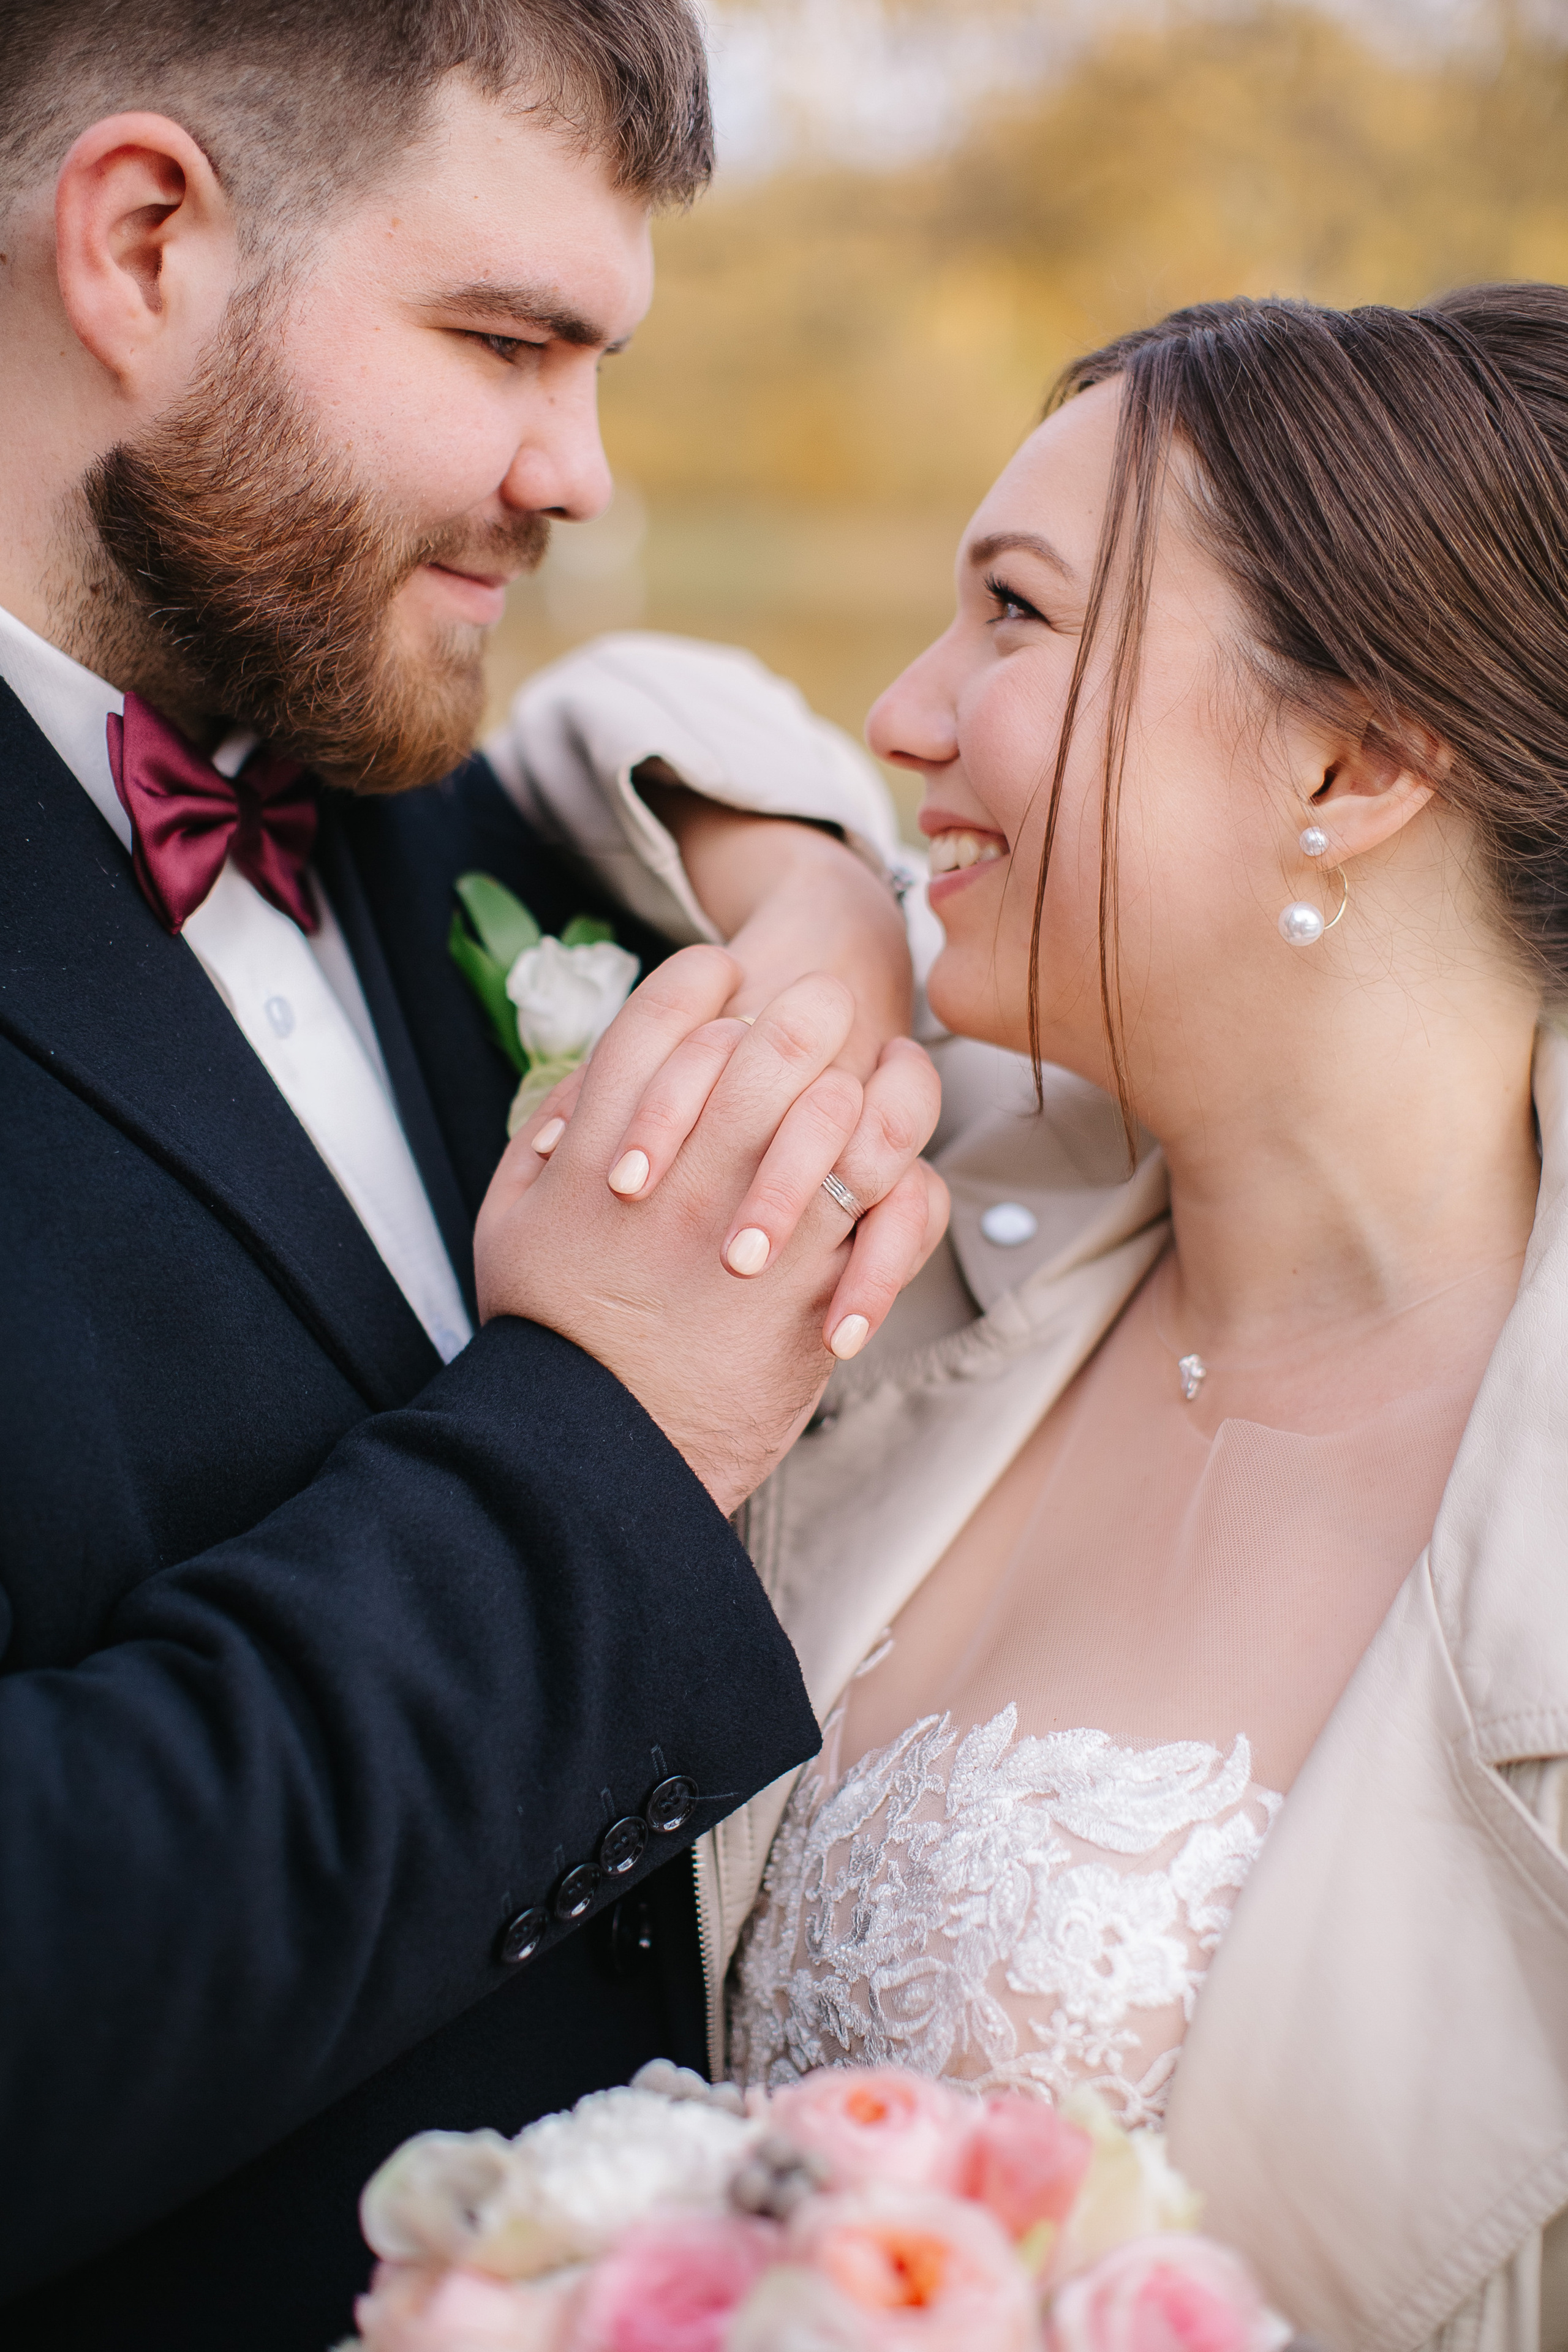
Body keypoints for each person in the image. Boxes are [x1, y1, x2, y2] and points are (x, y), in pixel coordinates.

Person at [0, 5, 949, 2346]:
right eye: (508, 342)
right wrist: (615, 1434)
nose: (582, 475)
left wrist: (808, 865)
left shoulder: (424, 795)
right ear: (140, 247)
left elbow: (623, 733)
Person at [533, 285, 1568, 2351]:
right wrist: (818, 894)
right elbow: (599, 710)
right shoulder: (973, 1204)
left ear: (1354, 761)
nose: (906, 716)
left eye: (1014, 614)